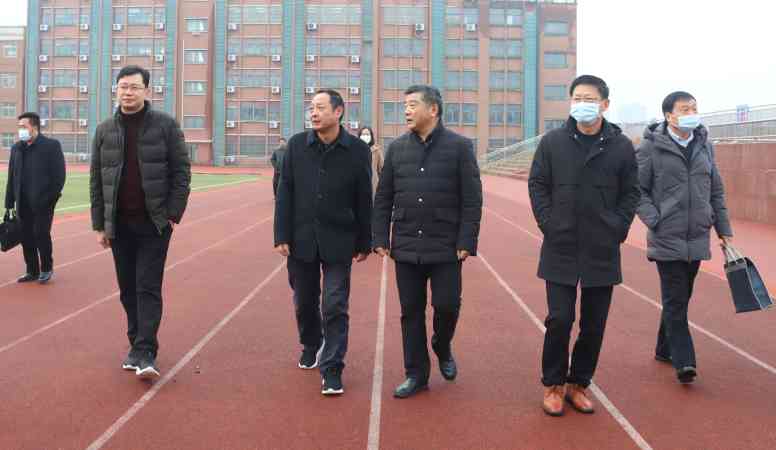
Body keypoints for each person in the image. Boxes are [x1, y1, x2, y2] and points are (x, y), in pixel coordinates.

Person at [528, 75, 639, 416]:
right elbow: (537, 184)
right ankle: (553, 385)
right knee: (560, 319)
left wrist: (617, 228)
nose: (581, 104)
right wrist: (548, 223)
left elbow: (631, 192)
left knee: (594, 324)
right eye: (576, 98)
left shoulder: (621, 146)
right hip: (560, 244)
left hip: (601, 247)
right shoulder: (553, 142)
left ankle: (578, 384)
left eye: (589, 99)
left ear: (605, 104)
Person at [373, 85, 482, 399]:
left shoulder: (460, 147)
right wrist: (379, 236)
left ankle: (442, 344)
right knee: (410, 312)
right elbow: (383, 197)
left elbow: (472, 199)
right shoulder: (396, 149)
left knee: (447, 305)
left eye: (412, 105)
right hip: (406, 244)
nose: (406, 111)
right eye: (405, 105)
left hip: (446, 245)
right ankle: (416, 374)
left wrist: (467, 240)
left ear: (433, 109)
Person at [90, 65, 191, 380]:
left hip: (153, 224)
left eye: (134, 87)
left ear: (147, 90)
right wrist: (99, 225)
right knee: (127, 289)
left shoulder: (165, 126)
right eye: (123, 86)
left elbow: (182, 172)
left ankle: (146, 350)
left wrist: (172, 214)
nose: (128, 92)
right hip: (119, 225)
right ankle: (136, 343)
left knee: (147, 286)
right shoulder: (105, 130)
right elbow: (96, 180)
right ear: (116, 89)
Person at [274, 89, 372, 396]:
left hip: (339, 239)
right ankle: (311, 344)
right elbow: (285, 191)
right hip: (301, 238)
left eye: (320, 107)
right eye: (311, 108)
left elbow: (364, 197)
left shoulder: (357, 150)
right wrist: (281, 235)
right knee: (304, 301)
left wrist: (365, 240)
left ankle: (332, 368)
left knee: (335, 304)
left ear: (338, 111)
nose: (313, 113)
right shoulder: (296, 146)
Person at [636, 91, 733, 385]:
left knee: (680, 297)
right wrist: (656, 220)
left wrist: (724, 230)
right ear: (669, 116)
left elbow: (716, 191)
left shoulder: (705, 146)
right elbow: (636, 190)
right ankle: (684, 361)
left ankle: (663, 348)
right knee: (676, 299)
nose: (691, 113)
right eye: (684, 109)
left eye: (694, 108)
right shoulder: (651, 148)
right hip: (667, 236)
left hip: (698, 236)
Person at [4, 112, 65, 284]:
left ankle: (46, 268)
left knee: (41, 234)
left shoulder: (51, 146)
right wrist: (9, 202)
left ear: (34, 127)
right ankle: (32, 270)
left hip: (43, 202)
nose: (20, 130)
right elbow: (12, 176)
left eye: (23, 126)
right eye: (19, 127)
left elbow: (59, 176)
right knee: (26, 237)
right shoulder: (17, 148)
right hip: (22, 202)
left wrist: (50, 199)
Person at [357, 126, 384, 197]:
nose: (365, 136)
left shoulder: (376, 150)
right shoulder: (355, 150)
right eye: (363, 134)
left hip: (373, 185)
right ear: (359, 136)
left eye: (367, 134)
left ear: (371, 136)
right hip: (358, 185)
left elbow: (382, 170)